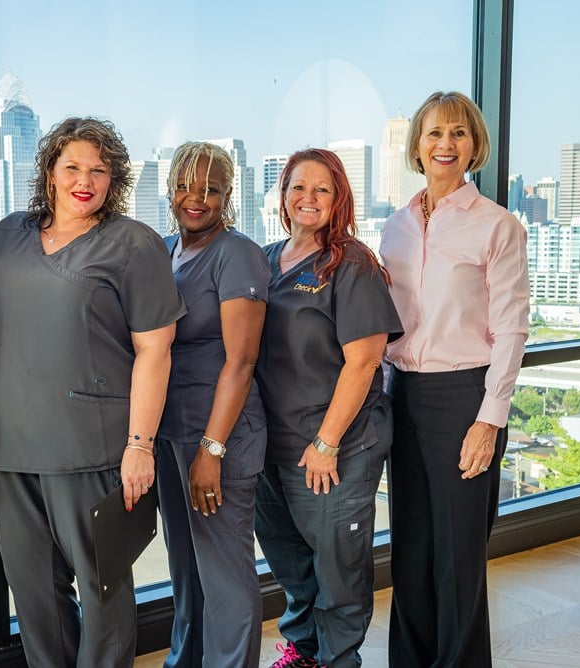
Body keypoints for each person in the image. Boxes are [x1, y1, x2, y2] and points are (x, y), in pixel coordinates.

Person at [0, 117, 185, 668]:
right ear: (48, 171)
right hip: (9, 451)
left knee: (104, 596)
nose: (84, 180)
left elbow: (155, 351)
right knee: (36, 601)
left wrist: (139, 445)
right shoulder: (9, 233)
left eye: (99, 170)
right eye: (72, 166)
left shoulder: (132, 243)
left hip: (95, 451)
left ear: (113, 180)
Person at [379, 91, 530, 668]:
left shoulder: (497, 226)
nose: (446, 144)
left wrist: (489, 420)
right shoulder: (393, 227)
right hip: (402, 395)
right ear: (417, 143)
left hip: (465, 398)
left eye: (459, 134)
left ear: (475, 146)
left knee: (459, 554)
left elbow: (512, 329)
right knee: (411, 548)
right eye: (435, 133)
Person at [255, 149, 404, 668]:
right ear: (284, 195)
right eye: (299, 187)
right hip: (271, 445)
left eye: (322, 189)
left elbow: (363, 363)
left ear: (339, 197)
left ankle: (340, 661)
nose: (308, 198)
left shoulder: (351, 263)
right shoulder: (266, 258)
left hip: (335, 447)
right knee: (292, 562)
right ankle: (304, 653)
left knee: (339, 569)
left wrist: (326, 443)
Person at [154, 141, 272, 667]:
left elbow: (242, 362)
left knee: (224, 576)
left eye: (210, 189)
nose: (194, 198)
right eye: (183, 186)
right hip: (169, 435)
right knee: (186, 568)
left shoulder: (237, 253)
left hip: (219, 437)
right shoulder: (163, 251)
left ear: (229, 195)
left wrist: (212, 449)